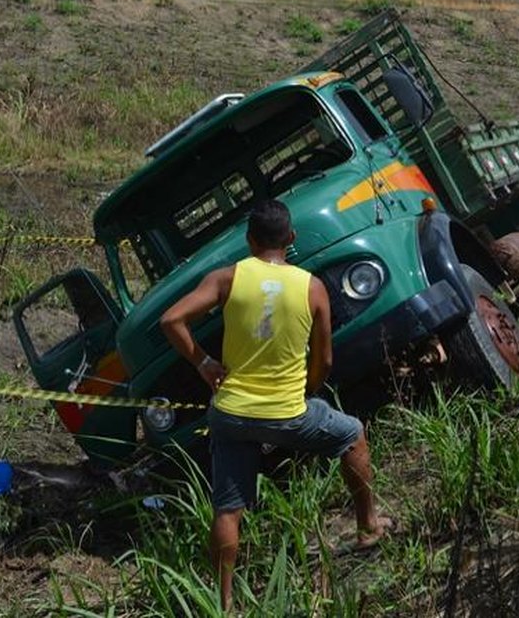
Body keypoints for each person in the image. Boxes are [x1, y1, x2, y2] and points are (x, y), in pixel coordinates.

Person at [159, 199, 389, 611]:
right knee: (353, 435)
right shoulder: (311, 287)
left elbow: (171, 320)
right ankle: (368, 527)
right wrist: (308, 390)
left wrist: (204, 362)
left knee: (227, 508)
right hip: (288, 413)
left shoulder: (226, 278)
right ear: (291, 238)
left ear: (249, 241)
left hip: (230, 413)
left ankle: (223, 603)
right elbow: (325, 360)